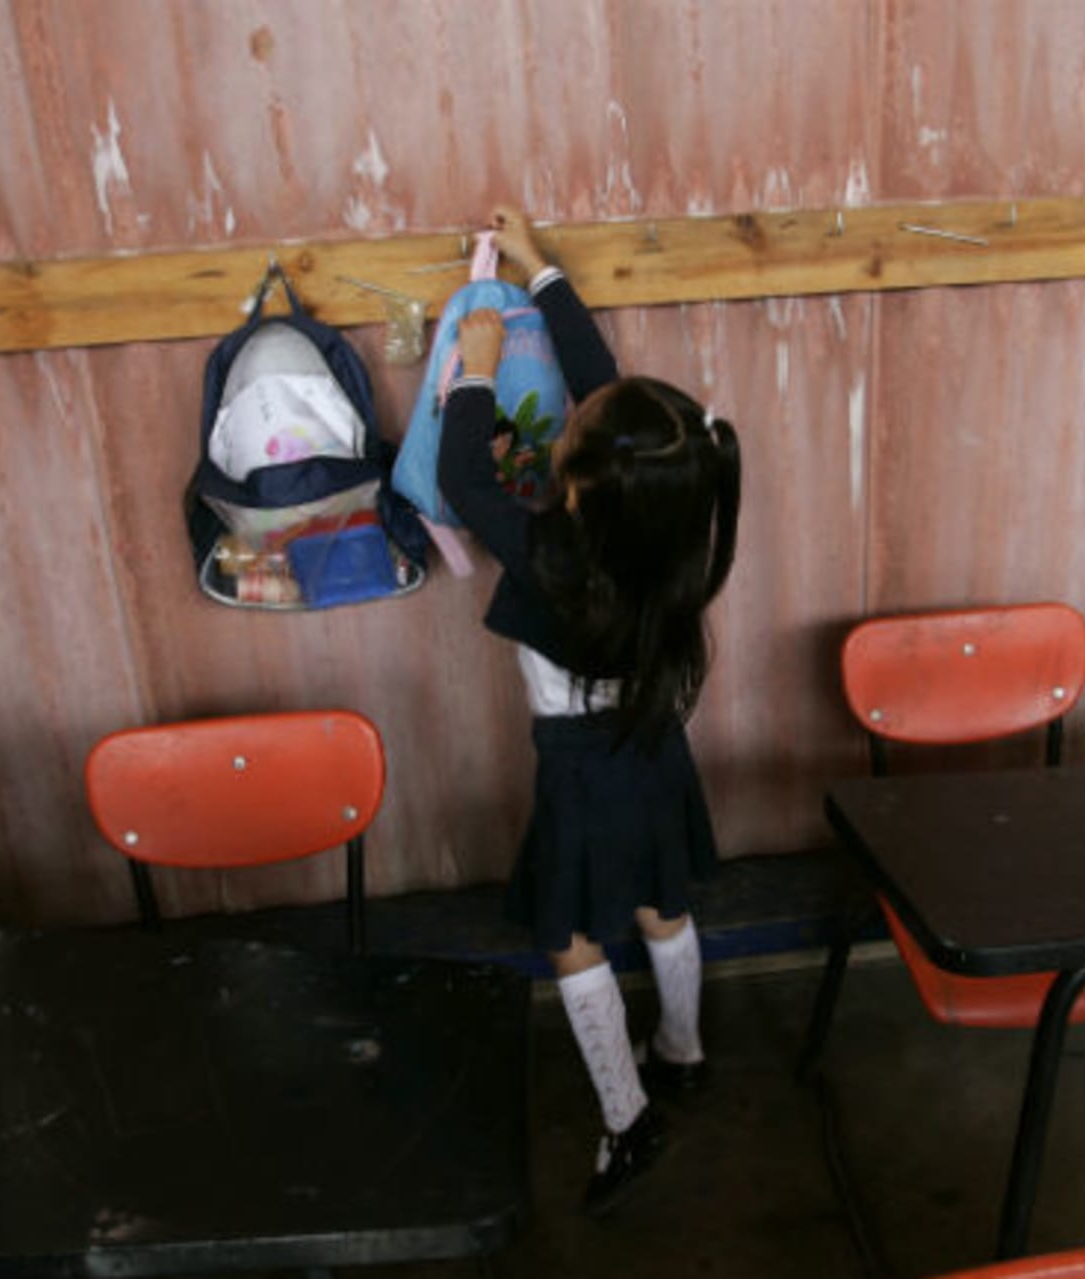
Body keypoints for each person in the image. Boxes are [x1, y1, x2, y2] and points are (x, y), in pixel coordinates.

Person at [436, 206, 742, 1216]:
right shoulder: (678, 541)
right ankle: (685, 1052)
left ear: (579, 489)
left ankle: (628, 1116)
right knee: (664, 901)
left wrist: (478, 362)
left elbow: (459, 475)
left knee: (571, 936)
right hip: (655, 750)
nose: (565, 421)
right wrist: (545, 275)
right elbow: (611, 399)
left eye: (569, 434)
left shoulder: (551, 555)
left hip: (580, 767)